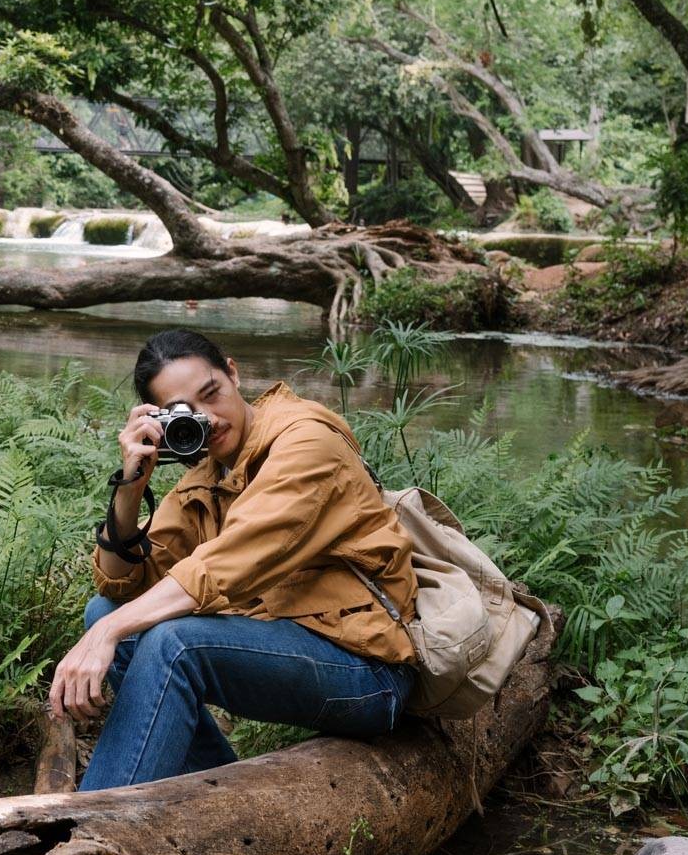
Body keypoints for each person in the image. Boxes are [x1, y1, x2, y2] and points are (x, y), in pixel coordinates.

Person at [48, 328, 419, 791]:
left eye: (212, 394)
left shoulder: (306, 443)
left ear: (233, 373)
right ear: (162, 419)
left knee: (171, 642)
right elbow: (119, 584)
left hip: (369, 672)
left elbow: (224, 565)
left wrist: (108, 632)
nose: (209, 419)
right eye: (185, 412)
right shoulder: (210, 473)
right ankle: (216, 792)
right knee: (103, 611)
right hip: (287, 644)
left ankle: (90, 827)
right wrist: (131, 484)